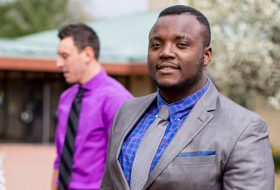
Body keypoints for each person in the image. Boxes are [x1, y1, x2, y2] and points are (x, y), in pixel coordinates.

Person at [100, 5, 275, 190]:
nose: (165, 52)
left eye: (181, 44)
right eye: (156, 45)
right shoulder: (126, 112)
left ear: (206, 55)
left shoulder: (244, 128)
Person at [51, 23, 133, 190]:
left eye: (64, 56)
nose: (58, 63)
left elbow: (126, 163)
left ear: (87, 54)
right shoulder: (66, 98)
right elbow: (60, 156)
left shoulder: (116, 98)